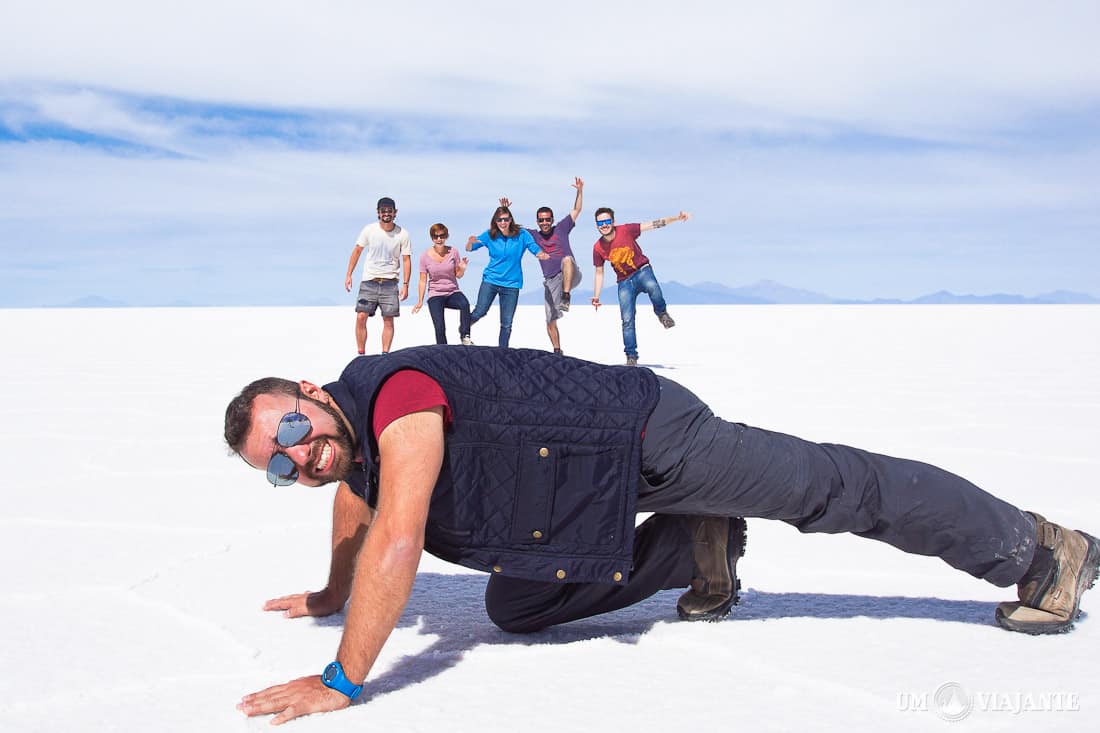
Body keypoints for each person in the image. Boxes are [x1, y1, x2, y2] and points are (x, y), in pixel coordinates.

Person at [225, 346, 1099, 724]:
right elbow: (358, 498)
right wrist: (333, 591)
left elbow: (399, 532)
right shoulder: (352, 446)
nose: (299, 460)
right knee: (518, 604)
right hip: (565, 498)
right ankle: (696, 547)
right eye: (277, 465)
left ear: (312, 391)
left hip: (641, 440)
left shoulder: (397, 396)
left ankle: (1039, 550)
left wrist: (344, 673)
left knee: (829, 488)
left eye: (293, 433)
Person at [591, 208, 689, 365]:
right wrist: (596, 296)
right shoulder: (598, 248)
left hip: (642, 271)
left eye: (607, 221)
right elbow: (599, 272)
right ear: (596, 225)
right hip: (624, 281)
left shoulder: (626, 230)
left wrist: (676, 218)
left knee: (653, 288)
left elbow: (653, 224)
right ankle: (631, 356)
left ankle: (662, 313)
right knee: (627, 319)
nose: (604, 225)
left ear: (613, 222)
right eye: (600, 223)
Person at [500, 177, 584, 355]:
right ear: (537, 221)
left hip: (570, 274)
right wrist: (506, 210)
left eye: (547, 219)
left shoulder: (561, 228)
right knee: (550, 321)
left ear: (552, 220)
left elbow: (576, 210)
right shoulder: (533, 236)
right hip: (551, 281)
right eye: (541, 220)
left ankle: (566, 296)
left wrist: (579, 191)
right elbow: (511, 227)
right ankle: (557, 350)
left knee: (567, 259)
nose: (545, 222)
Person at [465, 206, 549, 347]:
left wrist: (539, 253)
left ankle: (502, 352)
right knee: (480, 311)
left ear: (511, 220)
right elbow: (470, 248)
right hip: (491, 280)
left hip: (511, 284)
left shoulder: (521, 234)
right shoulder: (490, 235)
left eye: (506, 219)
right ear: (495, 221)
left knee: (507, 323)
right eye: (499, 220)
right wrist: (470, 241)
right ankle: (464, 331)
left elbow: (532, 246)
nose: (503, 223)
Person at [343, 197, 412, 354]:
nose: (386, 214)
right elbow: (357, 251)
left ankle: (385, 354)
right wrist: (349, 275)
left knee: (388, 319)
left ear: (395, 213)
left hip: (390, 282)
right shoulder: (369, 230)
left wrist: (406, 285)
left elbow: (406, 259)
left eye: (389, 211)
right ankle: (361, 353)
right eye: (383, 211)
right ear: (378, 213)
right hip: (369, 281)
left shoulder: (403, 234)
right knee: (361, 316)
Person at [411, 223, 473, 346]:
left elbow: (458, 275)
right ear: (432, 238)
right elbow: (422, 280)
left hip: (452, 291)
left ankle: (465, 335)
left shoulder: (453, 252)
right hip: (435, 294)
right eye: (435, 236)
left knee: (464, 304)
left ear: (446, 236)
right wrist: (419, 301)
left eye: (442, 236)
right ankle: (443, 350)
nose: (439, 239)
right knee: (440, 327)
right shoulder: (425, 256)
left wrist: (463, 268)